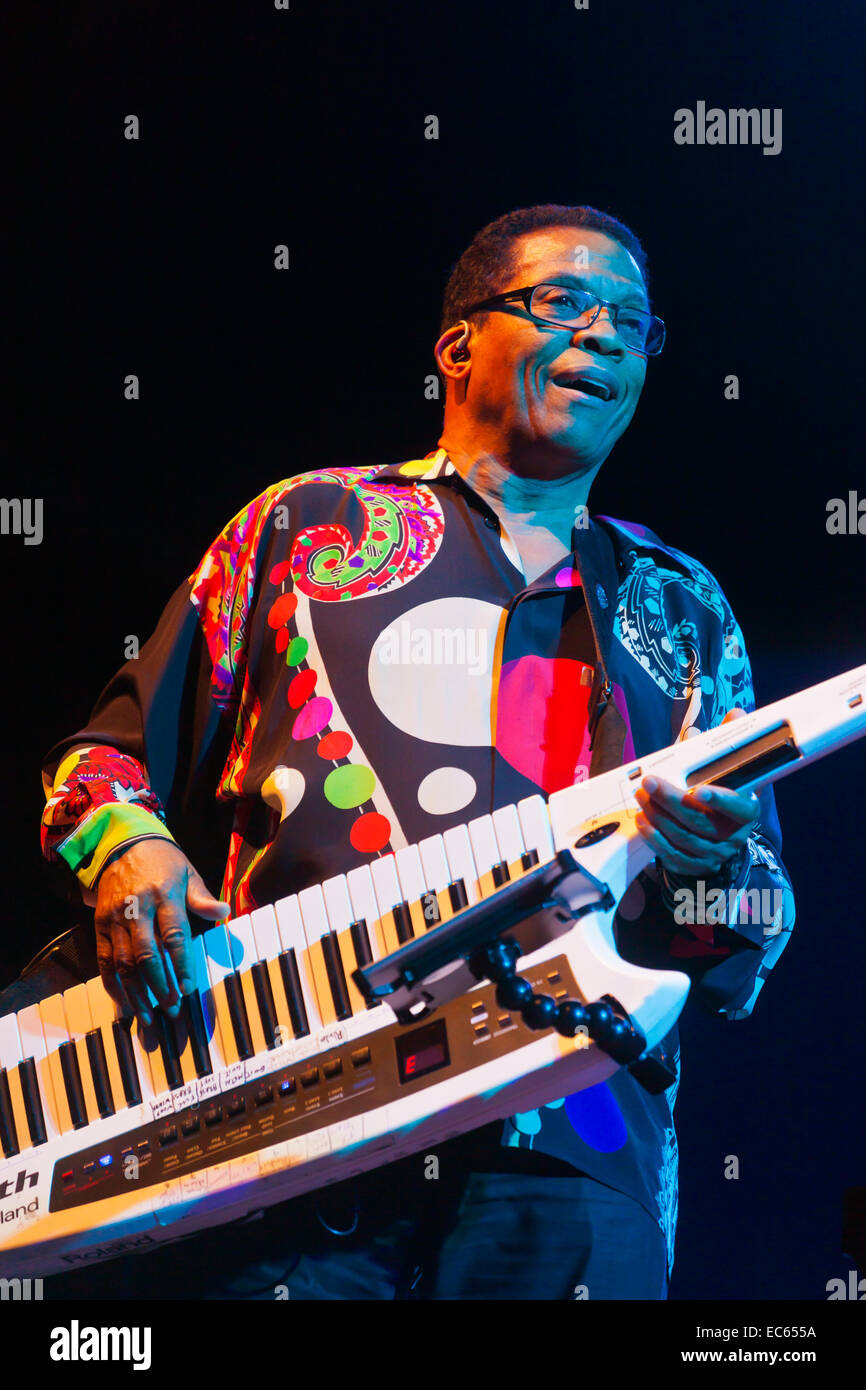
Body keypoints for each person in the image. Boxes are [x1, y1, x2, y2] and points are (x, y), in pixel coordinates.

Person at [37, 203, 795, 1300]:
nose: (602, 339)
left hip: (572, 1151)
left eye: (631, 324)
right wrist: (127, 849)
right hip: (287, 1117)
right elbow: (97, 767)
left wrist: (713, 872)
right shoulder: (305, 529)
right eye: (561, 305)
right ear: (455, 346)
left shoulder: (679, 608)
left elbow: (750, 931)